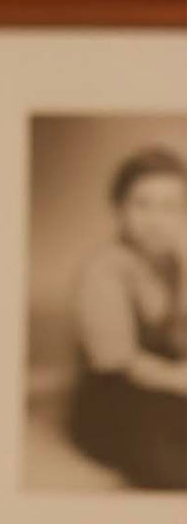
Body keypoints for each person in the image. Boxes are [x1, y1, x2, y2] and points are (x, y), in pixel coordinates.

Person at [67, 144, 187, 490]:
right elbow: (114, 361)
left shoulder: (173, 265)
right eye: (142, 204)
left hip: (166, 386)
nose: (156, 219)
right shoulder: (102, 269)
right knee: (167, 460)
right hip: (117, 400)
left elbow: (177, 339)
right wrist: (180, 381)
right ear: (120, 209)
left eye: (171, 207)